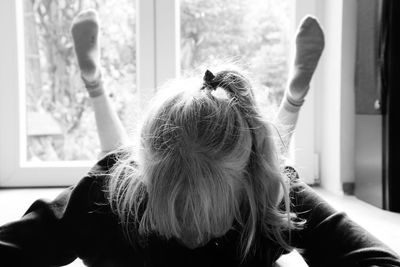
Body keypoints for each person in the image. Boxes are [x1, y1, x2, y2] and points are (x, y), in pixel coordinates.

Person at [0, 10, 399, 267]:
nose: (191, 233)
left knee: (271, 155)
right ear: (140, 181)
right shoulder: (111, 188)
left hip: (253, 163)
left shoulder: (268, 192)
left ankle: (292, 100)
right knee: (112, 158)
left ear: (249, 188)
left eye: (206, 211)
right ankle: (94, 81)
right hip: (125, 179)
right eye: (172, 208)